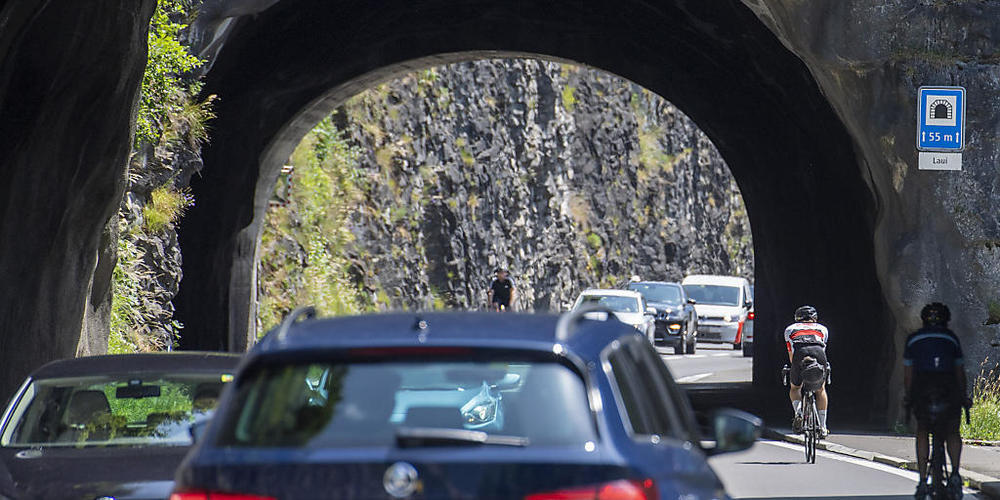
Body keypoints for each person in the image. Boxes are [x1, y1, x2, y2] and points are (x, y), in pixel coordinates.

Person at [904, 302, 970, 499]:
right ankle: (956, 474)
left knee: (922, 429)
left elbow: (908, 374)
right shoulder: (951, 339)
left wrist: (909, 396)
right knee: (952, 429)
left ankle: (923, 481)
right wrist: (963, 395)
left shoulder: (914, 339)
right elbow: (959, 371)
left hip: (923, 388)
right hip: (948, 388)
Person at [784, 305, 830, 437]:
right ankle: (823, 427)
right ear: (814, 318)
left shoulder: (790, 329)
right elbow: (822, 348)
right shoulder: (822, 329)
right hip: (818, 353)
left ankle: (798, 413)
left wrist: (796, 368)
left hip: (800, 353)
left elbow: (791, 352)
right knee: (820, 389)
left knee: (795, 388)